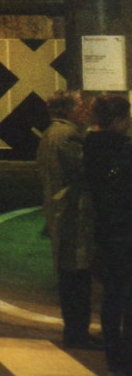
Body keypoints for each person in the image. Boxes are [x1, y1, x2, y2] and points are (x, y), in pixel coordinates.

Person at [36, 90, 99, 350]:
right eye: (79, 106)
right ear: (68, 110)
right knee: (77, 278)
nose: (83, 110)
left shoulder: (51, 134)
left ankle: (74, 332)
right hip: (73, 213)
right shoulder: (68, 135)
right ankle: (77, 333)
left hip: (59, 210)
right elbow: (84, 170)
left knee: (69, 277)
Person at [84, 93, 132, 373]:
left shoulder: (89, 147)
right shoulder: (122, 151)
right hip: (125, 233)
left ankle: (114, 356)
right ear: (118, 119)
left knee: (112, 296)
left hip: (105, 233)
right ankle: (126, 357)